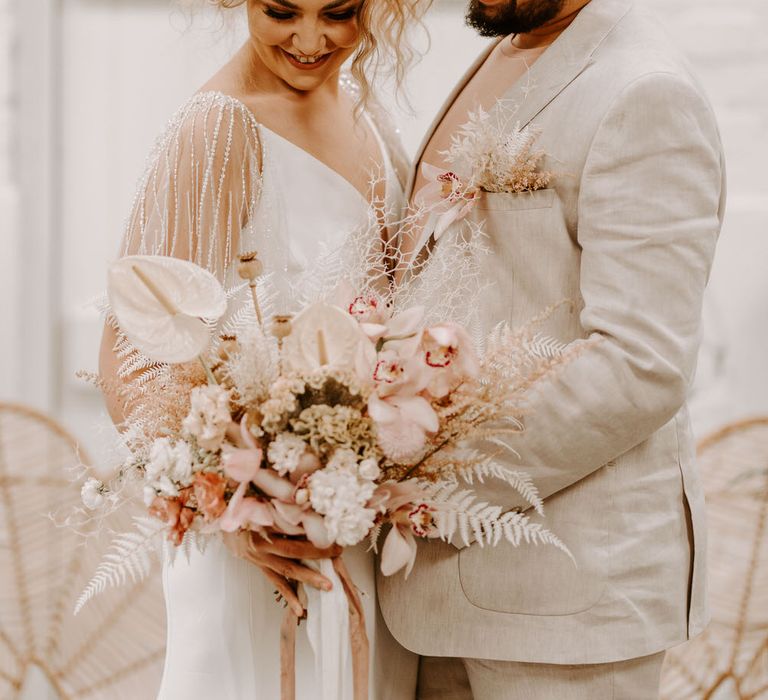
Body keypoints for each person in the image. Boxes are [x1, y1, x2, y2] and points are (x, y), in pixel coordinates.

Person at [379, 0, 726, 697]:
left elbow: (639, 365)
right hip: (437, 603)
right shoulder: (511, 45)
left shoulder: (644, 91)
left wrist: (419, 486)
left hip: (564, 608)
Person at [97, 0, 425, 697]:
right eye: (282, 11)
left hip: (353, 529)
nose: (311, 39)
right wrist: (228, 508)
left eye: (338, 13)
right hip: (258, 553)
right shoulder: (218, 126)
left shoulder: (369, 114)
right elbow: (132, 357)